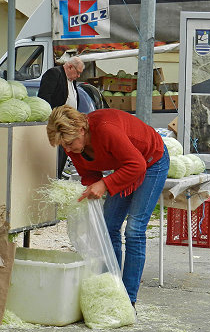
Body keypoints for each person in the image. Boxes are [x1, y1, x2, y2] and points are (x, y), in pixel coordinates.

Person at [46, 105, 169, 306]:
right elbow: (89, 174)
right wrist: (90, 190)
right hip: (125, 164)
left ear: (82, 130)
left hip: (151, 160)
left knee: (134, 230)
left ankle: (128, 301)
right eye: (63, 146)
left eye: (69, 143)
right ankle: (112, 291)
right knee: (108, 226)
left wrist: (105, 184)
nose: (67, 150)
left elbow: (136, 165)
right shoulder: (74, 145)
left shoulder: (105, 129)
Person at [38, 56, 84, 177]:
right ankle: (55, 176)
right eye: (78, 72)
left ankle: (58, 176)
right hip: (58, 124)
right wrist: (55, 118)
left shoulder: (72, 80)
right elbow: (44, 97)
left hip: (68, 124)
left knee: (64, 155)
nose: (78, 76)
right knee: (57, 156)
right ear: (70, 67)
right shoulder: (54, 74)